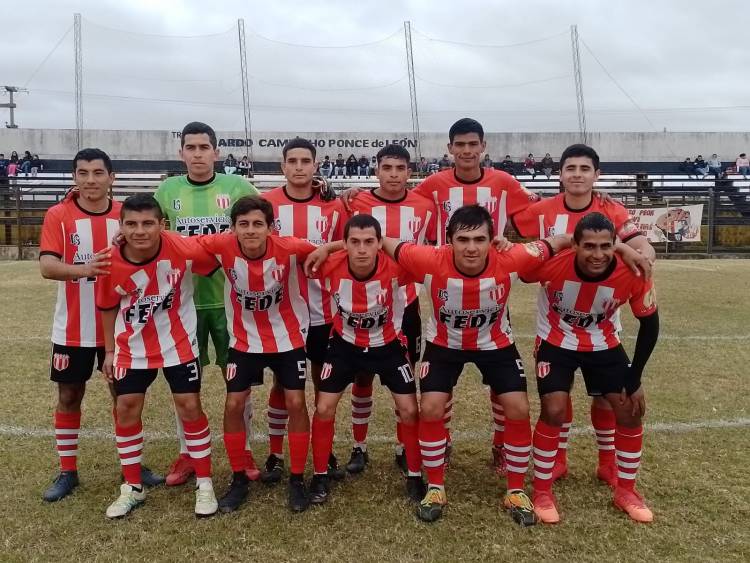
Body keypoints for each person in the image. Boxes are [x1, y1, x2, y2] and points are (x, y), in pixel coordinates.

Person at [342, 118, 541, 475]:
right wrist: (340, 192)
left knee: (501, 380)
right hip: (440, 289)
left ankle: (500, 445)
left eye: (472, 144)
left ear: (483, 147)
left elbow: (535, 215)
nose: (466, 151)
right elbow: (387, 201)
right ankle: (438, 442)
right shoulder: (431, 188)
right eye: (459, 145)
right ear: (449, 149)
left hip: (490, 292)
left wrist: (597, 201)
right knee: (421, 377)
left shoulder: (505, 183)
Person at [382, 204, 572, 526]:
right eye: (463, 239)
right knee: (430, 408)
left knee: (518, 408)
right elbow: (384, 241)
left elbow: (558, 241)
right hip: (444, 345)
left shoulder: (512, 257)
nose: (472, 247)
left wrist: (625, 249)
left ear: (492, 240)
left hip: (495, 344)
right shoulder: (427, 259)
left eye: (480, 239)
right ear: (449, 241)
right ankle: (436, 487)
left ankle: (515, 490)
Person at [512, 143, 654, 492]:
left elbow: (645, 251)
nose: (577, 175)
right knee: (558, 396)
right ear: (559, 174)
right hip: (556, 317)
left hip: (603, 317)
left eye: (584, 169)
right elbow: (515, 237)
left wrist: (625, 249)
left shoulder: (613, 210)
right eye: (570, 168)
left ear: (597, 175)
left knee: (606, 397)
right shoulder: (540, 209)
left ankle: (607, 463)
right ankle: (557, 458)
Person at [194, 196, 341, 513]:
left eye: (258, 224)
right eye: (243, 224)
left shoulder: (291, 247)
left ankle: (297, 480)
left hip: (288, 337)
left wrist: (327, 248)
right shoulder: (221, 245)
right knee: (234, 402)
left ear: (270, 228)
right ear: (233, 228)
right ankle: (238, 479)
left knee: (295, 401)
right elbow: (176, 245)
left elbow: (341, 248)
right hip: (245, 340)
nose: (250, 231)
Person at [38, 148, 163, 503]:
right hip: (73, 329)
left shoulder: (127, 216)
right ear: (74, 177)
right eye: (82, 173)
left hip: (121, 331)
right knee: (69, 395)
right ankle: (67, 471)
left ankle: (132, 469)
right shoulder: (58, 215)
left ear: (112, 177)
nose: (90, 180)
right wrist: (86, 269)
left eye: (97, 173)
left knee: (123, 398)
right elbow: (48, 267)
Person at [524, 212, 659, 524]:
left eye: (605, 246)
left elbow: (650, 326)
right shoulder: (553, 265)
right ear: (575, 245)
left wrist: (634, 376)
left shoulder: (632, 272)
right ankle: (542, 490)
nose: (597, 255)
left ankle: (626, 490)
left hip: (604, 345)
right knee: (554, 409)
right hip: (556, 343)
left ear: (615, 245)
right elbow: (522, 266)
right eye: (589, 246)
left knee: (630, 409)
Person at [96, 194, 220, 518]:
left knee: (190, 406)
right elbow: (108, 307)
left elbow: (221, 252)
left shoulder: (181, 247)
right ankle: (133, 486)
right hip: (132, 347)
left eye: (148, 223)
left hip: (178, 342)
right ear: (120, 226)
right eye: (132, 224)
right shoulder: (109, 261)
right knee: (126, 407)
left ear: (161, 225)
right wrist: (109, 350)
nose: (140, 231)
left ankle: (205, 483)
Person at [153, 121, 260, 487]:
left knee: (239, 385)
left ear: (216, 152)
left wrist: (323, 188)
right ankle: (188, 452)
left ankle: (242, 450)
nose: (197, 154)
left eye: (204, 147)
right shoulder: (167, 191)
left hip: (232, 303)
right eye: (191, 147)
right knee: (186, 388)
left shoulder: (238, 187)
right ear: (181, 152)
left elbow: (266, 217)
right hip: (181, 305)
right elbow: (145, 229)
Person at [307, 214, 425, 506]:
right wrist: (326, 248)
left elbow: (431, 258)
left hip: (388, 346)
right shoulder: (328, 265)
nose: (361, 249)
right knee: (323, 407)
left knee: (409, 409)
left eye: (369, 242)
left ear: (379, 244)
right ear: (344, 244)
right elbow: (295, 253)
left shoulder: (399, 268)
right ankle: (320, 474)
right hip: (344, 346)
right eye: (354, 242)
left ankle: (414, 474)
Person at [345, 144, 437, 473]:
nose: (394, 174)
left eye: (400, 168)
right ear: (377, 170)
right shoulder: (356, 202)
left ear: (409, 172)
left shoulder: (426, 207)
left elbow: (433, 250)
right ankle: (359, 446)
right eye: (387, 168)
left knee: (406, 377)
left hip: (406, 303)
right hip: (364, 303)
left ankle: (403, 446)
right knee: (362, 377)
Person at [261, 137, 347, 483]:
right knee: (284, 385)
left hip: (323, 308)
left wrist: (327, 248)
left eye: (305, 161)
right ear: (283, 166)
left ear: (315, 166)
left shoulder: (334, 206)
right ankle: (276, 453)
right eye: (292, 161)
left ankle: (324, 451)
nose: (299, 167)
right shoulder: (265, 204)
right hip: (282, 310)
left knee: (323, 383)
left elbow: (349, 241)